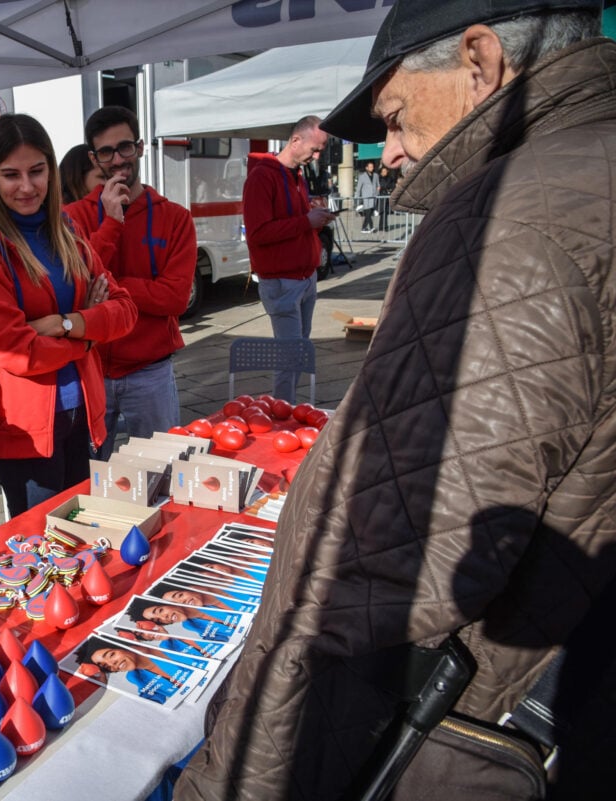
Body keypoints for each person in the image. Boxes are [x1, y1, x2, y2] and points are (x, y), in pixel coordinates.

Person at [176, 2, 616, 799]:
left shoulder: (509, 221)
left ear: (479, 62)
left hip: (463, 724)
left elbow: (370, 569)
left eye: (397, 116)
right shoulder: (581, 174)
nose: (390, 151)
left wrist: (226, 779)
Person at [0, 113, 137, 517]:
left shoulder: (66, 229)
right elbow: (12, 350)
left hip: (85, 417)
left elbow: (125, 309)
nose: (26, 186)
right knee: (45, 547)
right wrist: (87, 331)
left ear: (52, 171)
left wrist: (64, 323)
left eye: (37, 171)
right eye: (11, 175)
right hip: (25, 431)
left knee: (86, 534)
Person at [65, 106, 196, 458]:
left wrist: (113, 286)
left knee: (164, 473)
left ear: (140, 147)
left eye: (124, 147)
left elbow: (175, 299)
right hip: (91, 368)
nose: (118, 159)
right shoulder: (74, 216)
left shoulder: (175, 217)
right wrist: (110, 223)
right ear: (94, 157)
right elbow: (73, 288)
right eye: (106, 152)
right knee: (89, 482)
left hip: (150, 371)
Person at [241, 116, 337, 403]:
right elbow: (257, 234)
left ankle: (286, 409)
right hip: (282, 281)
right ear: (296, 141)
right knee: (290, 355)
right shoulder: (262, 177)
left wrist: (313, 219)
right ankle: (283, 411)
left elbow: (291, 224)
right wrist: (307, 221)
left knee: (297, 351)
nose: (317, 156)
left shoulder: (295, 176)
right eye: (315, 149)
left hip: (303, 278)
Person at [355, 160, 380, 233]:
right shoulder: (362, 176)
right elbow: (358, 188)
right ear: (366, 168)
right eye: (370, 167)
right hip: (366, 198)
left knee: (369, 213)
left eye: (372, 167)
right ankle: (372, 227)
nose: (372, 168)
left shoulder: (376, 175)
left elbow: (378, 185)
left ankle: (363, 228)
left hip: (373, 197)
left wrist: (377, 192)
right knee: (368, 212)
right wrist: (357, 198)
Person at [377, 164, 397, 230]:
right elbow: (378, 186)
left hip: (387, 196)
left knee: (386, 212)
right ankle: (381, 226)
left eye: (385, 171)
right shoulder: (378, 178)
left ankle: (385, 226)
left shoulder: (390, 178)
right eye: (383, 171)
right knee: (382, 211)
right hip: (381, 196)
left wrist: (390, 190)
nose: (384, 173)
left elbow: (393, 186)